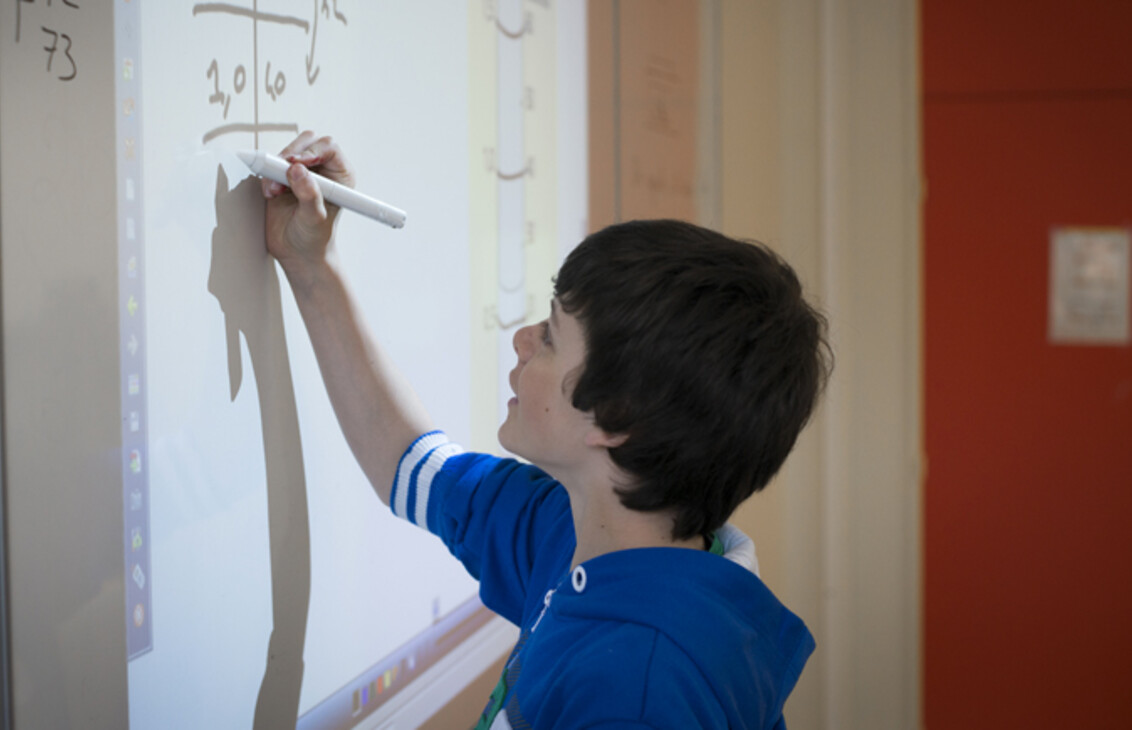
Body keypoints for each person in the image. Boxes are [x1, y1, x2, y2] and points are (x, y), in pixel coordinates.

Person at [259, 131, 832, 729]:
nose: (523, 340)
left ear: (617, 420)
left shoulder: (639, 690)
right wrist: (310, 264)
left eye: (552, 336)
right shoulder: (579, 536)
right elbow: (411, 465)